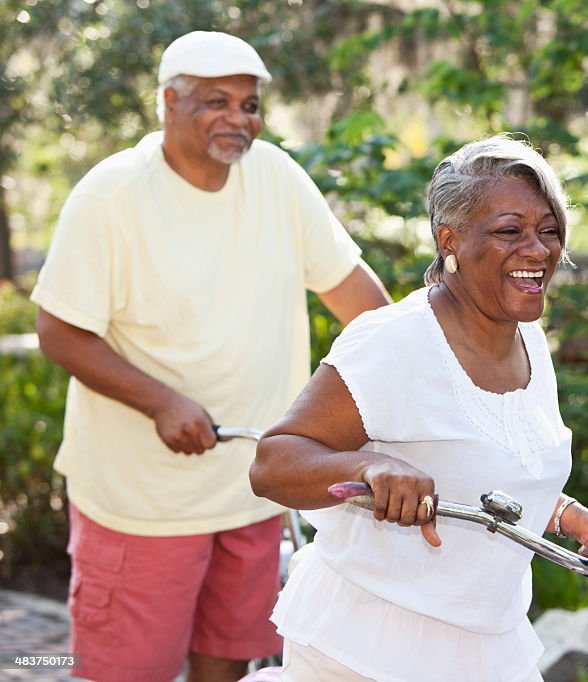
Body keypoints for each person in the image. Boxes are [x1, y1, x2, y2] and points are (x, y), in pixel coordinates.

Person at [31, 31, 390, 682]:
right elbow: (59, 331)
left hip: (253, 488)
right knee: (125, 672)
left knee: (226, 662)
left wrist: (411, 386)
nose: (239, 119)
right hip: (142, 501)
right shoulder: (111, 196)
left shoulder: (278, 177)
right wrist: (161, 401)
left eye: (249, 105)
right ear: (168, 103)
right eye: (216, 101)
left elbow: (362, 303)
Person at [249, 134, 588, 682]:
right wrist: (369, 467)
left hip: (491, 646)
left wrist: (573, 518)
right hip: (366, 648)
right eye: (510, 231)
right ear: (449, 238)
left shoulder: (528, 339)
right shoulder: (393, 341)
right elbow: (272, 462)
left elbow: (486, 466)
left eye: (548, 231)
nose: (538, 250)